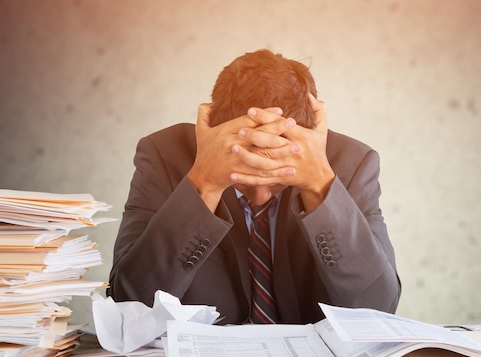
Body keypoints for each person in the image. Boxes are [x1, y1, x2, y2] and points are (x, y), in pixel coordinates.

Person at [108, 49, 400, 324]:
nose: (260, 195)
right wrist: (204, 184)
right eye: (244, 173)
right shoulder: (164, 155)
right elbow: (130, 304)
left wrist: (320, 185)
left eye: (277, 178)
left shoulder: (351, 164)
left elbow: (377, 310)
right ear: (212, 133)